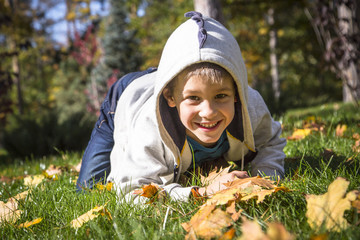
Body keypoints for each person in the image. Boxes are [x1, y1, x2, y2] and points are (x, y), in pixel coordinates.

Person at [77, 11, 286, 201]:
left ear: (237, 94)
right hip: (128, 97)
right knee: (89, 191)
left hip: (174, 81)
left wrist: (264, 179)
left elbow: (270, 142)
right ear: (170, 97)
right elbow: (132, 192)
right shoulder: (149, 127)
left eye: (221, 95)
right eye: (194, 98)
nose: (209, 112)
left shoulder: (250, 104)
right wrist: (201, 192)